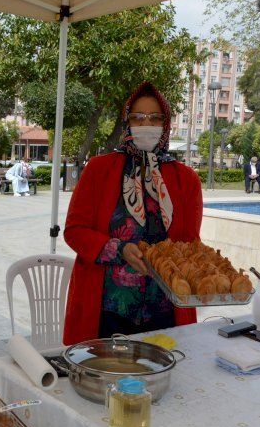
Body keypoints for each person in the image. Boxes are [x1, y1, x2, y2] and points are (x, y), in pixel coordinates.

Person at [63, 81, 203, 345]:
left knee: (164, 381)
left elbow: (190, 243)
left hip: (165, 312)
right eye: (137, 117)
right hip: (107, 310)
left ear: (166, 122)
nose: (146, 124)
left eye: (154, 117)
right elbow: (75, 232)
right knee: (105, 380)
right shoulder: (98, 169)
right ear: (127, 122)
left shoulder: (186, 180)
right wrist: (119, 249)